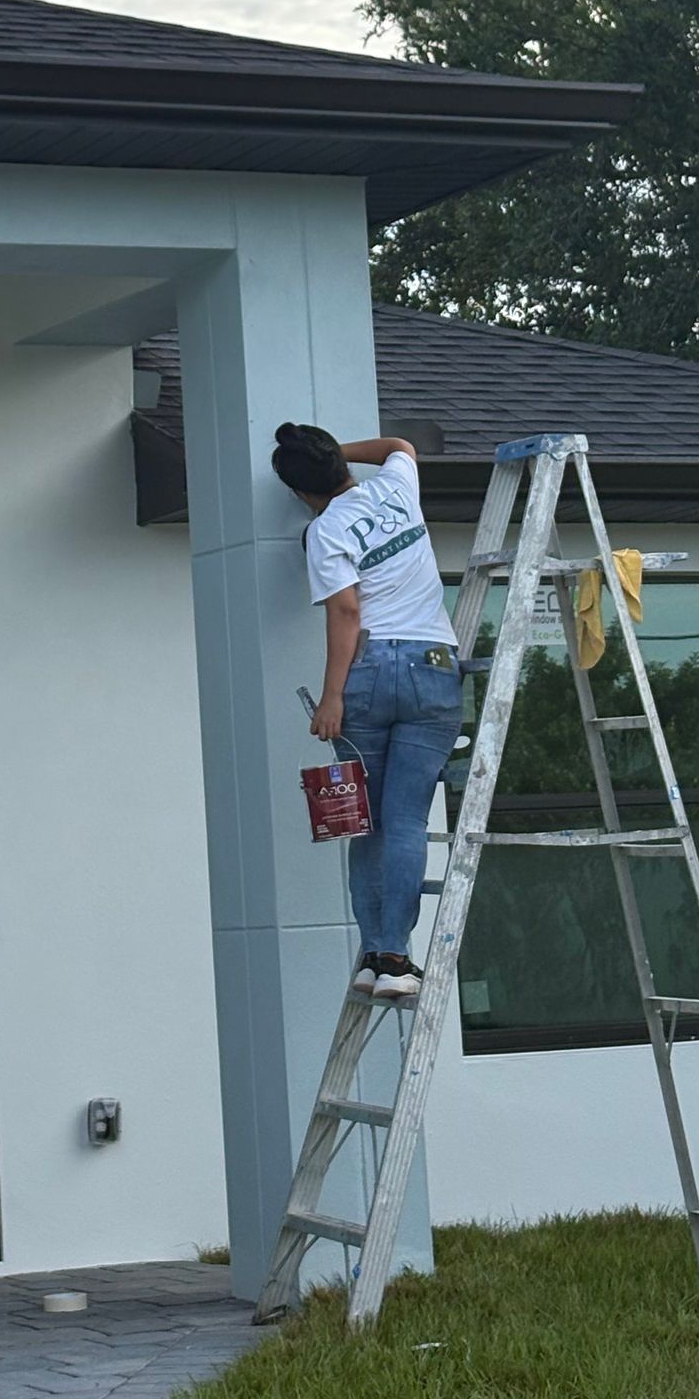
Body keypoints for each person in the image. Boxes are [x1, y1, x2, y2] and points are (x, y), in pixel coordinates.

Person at [272, 422, 464, 1002]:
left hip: (370, 671)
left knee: (365, 821)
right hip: (433, 665)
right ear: (338, 466)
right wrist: (336, 454)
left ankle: (376, 956)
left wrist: (332, 697)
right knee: (405, 819)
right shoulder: (396, 488)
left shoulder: (325, 530)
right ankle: (395, 959)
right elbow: (399, 447)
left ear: (301, 493)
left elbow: (347, 614)